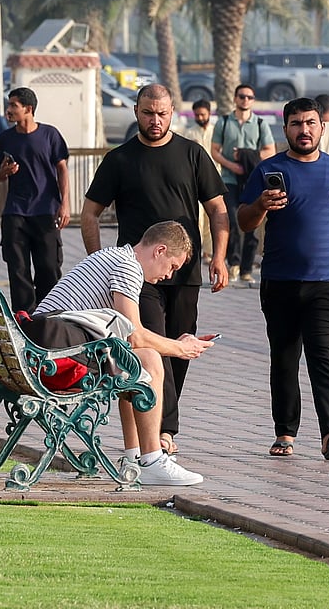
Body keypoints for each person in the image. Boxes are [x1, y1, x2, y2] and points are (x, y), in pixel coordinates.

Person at [82, 83, 229, 458]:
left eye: (162, 113)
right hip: (135, 274)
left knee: (181, 346)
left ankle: (164, 422)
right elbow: (90, 214)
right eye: (148, 113)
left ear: (172, 112)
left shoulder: (192, 154)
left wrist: (220, 256)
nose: (155, 120)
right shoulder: (120, 159)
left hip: (184, 271)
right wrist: (103, 262)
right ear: (136, 111)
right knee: (151, 345)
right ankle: (161, 432)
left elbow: (217, 208)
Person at [27, 221, 215, 486]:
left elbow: (129, 339)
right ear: (159, 250)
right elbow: (134, 334)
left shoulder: (114, 256)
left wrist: (174, 343)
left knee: (133, 358)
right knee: (147, 359)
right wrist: (180, 348)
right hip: (54, 361)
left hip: (42, 354)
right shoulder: (128, 266)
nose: (170, 276)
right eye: (172, 266)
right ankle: (151, 460)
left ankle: (135, 456)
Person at [238, 97, 329, 461]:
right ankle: (285, 432)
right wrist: (260, 205)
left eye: (310, 123)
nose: (304, 130)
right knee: (285, 358)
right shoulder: (268, 170)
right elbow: (245, 221)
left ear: (323, 127)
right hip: (279, 282)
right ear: (285, 128)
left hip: (326, 283)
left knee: (324, 356)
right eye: (296, 123)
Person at [0, 87, 70, 313]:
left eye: (13, 106)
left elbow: (62, 169)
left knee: (49, 267)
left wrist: (64, 204)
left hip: (46, 211)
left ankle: (48, 314)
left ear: (28, 109)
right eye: (9, 105)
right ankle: (24, 317)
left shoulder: (50, 135)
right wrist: (5, 172)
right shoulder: (4, 139)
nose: (9, 110)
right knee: (18, 269)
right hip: (15, 212)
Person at [211, 83, 276, 282]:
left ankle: (247, 268)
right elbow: (215, 151)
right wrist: (233, 165)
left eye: (249, 97)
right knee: (231, 219)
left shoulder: (259, 124)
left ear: (253, 100)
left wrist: (249, 156)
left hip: (252, 179)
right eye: (241, 96)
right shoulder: (224, 122)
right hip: (229, 179)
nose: (245, 100)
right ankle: (234, 263)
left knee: (252, 225)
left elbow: (269, 151)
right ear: (235, 98)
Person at [182, 99, 216, 262]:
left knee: (211, 218)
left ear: (209, 113)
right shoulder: (189, 134)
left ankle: (208, 252)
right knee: (198, 217)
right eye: (197, 115)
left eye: (203, 114)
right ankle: (196, 250)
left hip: (215, 180)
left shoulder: (216, 133)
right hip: (195, 182)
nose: (200, 117)